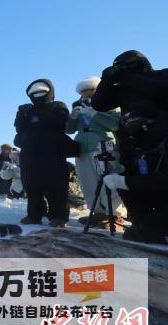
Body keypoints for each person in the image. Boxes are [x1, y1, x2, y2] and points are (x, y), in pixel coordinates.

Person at [91, 50, 168, 243]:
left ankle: (156, 225)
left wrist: (128, 77)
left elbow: (160, 90)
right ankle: (142, 224)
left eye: (127, 66)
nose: (123, 71)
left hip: (160, 142)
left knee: (159, 183)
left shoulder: (161, 75)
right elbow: (100, 104)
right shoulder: (123, 87)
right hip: (132, 145)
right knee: (127, 183)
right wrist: (107, 80)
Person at [14, 79, 79, 227]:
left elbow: (60, 122)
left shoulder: (58, 105)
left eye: (42, 92)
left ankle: (58, 216)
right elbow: (19, 128)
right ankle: (34, 215)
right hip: (31, 154)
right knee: (32, 186)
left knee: (57, 185)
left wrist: (39, 112)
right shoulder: (27, 110)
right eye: (35, 93)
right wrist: (22, 114)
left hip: (54, 152)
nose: (38, 95)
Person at [66, 76, 123, 229]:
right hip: (83, 147)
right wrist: (72, 117)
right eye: (85, 90)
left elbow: (115, 123)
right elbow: (68, 130)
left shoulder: (110, 102)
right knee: (88, 181)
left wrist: (95, 113)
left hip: (104, 144)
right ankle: (97, 212)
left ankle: (114, 215)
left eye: (92, 89)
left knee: (109, 180)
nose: (88, 93)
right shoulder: (77, 106)